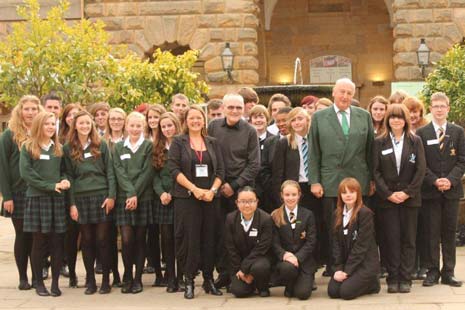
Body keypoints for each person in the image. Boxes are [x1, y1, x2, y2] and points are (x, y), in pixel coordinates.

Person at [308, 78, 374, 276]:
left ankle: (355, 265)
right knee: (333, 226)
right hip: (330, 181)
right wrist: (315, 181)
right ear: (333, 93)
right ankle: (334, 265)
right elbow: (314, 152)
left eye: (349, 93)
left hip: (358, 179)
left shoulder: (364, 116)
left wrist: (371, 180)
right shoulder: (319, 117)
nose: (345, 96)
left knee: (358, 225)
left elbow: (370, 150)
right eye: (342, 92)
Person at [168, 105, 224, 299]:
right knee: (190, 240)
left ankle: (209, 279)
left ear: (204, 120)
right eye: (191, 118)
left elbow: (220, 172)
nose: (195, 121)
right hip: (187, 198)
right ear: (186, 121)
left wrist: (212, 191)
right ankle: (189, 280)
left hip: (210, 198)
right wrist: (195, 189)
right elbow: (174, 170)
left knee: (209, 239)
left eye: (199, 118)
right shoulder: (178, 142)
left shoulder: (213, 142)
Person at [207, 93, 260, 289]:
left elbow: (255, 165)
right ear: (224, 107)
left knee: (241, 233)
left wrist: (235, 185)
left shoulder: (250, 131)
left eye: (238, 107)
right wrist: (216, 184)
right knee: (221, 233)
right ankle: (223, 273)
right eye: (231, 107)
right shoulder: (212, 126)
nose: (235, 111)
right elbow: (206, 153)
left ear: (244, 108)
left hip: (241, 188)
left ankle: (243, 272)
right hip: (217, 187)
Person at [373, 104, 426, 293]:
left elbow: (420, 170)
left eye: (400, 117)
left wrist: (407, 192)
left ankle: (406, 278)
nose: (396, 120)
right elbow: (376, 171)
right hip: (387, 201)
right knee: (391, 240)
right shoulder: (379, 142)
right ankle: (393, 278)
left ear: (405, 120)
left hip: (410, 200)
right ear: (388, 120)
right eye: (392, 117)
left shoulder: (415, 141)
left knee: (408, 240)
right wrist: (388, 194)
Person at [63, 111, 116, 294]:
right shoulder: (68, 147)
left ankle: (105, 280)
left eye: (87, 123)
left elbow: (110, 171)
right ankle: (91, 280)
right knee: (87, 240)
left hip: (101, 196)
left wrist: (111, 196)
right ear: (75, 126)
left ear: (91, 125)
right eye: (81, 123)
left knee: (103, 240)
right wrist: (72, 204)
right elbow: (68, 176)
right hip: (81, 198)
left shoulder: (101, 144)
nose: (85, 126)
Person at [417, 92, 465, 288]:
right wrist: (435, 181)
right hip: (431, 191)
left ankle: (449, 272)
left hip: (452, 191)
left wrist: (450, 180)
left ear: (448, 108)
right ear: (430, 109)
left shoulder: (458, 132)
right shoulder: (422, 133)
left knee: (449, 232)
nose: (438, 109)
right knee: (431, 233)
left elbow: (462, 160)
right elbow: (421, 163)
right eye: (435, 106)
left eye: (442, 106)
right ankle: (432, 271)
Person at [19, 111, 70, 297]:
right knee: (39, 243)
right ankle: (39, 283)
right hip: (37, 199)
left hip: (56, 200)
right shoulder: (28, 147)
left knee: (57, 242)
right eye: (47, 124)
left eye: (52, 124)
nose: (50, 127)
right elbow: (27, 174)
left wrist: (64, 181)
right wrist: (50, 185)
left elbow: (64, 171)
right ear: (39, 125)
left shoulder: (58, 148)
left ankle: (56, 283)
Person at [0, 95, 43, 290]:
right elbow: (2, 167)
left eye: (34, 109)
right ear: (20, 111)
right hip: (17, 194)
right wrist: (7, 196)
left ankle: (37, 276)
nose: (31, 112)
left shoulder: (42, 134)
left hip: (37, 193)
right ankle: (23, 278)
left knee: (37, 236)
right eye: (27, 109)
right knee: (22, 235)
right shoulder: (9, 135)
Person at [112, 112, 153, 294]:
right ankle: (127, 275)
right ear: (126, 126)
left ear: (143, 127)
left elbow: (147, 172)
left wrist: (135, 194)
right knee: (127, 240)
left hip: (143, 198)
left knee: (139, 239)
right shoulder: (118, 147)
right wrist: (130, 193)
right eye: (132, 126)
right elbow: (119, 172)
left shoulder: (148, 146)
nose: (135, 129)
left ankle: (137, 279)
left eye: (138, 126)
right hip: (125, 199)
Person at [327, 178, 381, 300]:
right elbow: (335, 245)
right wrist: (338, 269)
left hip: (364, 264)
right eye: (344, 192)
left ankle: (372, 283)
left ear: (358, 194)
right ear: (340, 195)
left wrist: (347, 271)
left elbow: (361, 247)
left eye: (352, 192)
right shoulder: (336, 214)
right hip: (346, 264)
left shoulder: (365, 213)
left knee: (346, 292)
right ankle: (354, 280)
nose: (348, 195)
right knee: (333, 291)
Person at [271, 180, 316, 300]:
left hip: (304, 261)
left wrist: (298, 257)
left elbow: (311, 241)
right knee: (287, 268)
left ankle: (305, 280)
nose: (290, 198)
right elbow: (274, 243)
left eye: (294, 194)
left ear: (299, 195)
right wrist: (285, 255)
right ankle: (289, 285)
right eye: (287, 195)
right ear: (282, 195)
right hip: (286, 262)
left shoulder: (308, 215)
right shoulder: (275, 215)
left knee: (303, 294)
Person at [225, 186, 273, 298]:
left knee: (260, 267)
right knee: (238, 291)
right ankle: (250, 285)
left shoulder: (265, 219)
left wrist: (244, 269)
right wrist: (239, 270)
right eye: (243, 201)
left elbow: (262, 248)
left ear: (257, 202)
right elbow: (230, 247)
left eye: (251, 201)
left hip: (258, 260)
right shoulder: (230, 219)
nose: (247, 205)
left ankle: (263, 287)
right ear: (237, 202)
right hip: (238, 263)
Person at [152, 112, 181, 292]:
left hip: (180, 197)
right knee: (167, 240)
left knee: (181, 240)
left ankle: (183, 275)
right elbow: (153, 175)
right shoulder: (156, 148)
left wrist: (172, 192)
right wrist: (162, 193)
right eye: (163, 126)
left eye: (170, 125)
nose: (167, 129)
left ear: (176, 125)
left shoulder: (183, 145)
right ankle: (171, 278)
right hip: (162, 201)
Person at [103, 107, 126, 287]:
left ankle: (128, 273)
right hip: (107, 194)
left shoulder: (129, 140)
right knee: (108, 238)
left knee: (126, 237)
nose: (116, 122)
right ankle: (114, 274)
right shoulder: (102, 141)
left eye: (119, 119)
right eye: (113, 119)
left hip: (125, 193)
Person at [144, 103, 167, 280]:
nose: (153, 120)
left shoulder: (166, 138)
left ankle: (167, 263)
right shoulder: (144, 138)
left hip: (162, 193)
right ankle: (154, 264)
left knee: (165, 232)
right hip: (147, 191)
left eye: (156, 117)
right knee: (151, 231)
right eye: (150, 117)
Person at [259, 107, 292, 213]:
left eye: (284, 120)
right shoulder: (270, 142)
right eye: (278, 121)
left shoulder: (300, 142)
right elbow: (264, 169)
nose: (281, 124)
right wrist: (274, 190)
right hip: (273, 196)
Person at [249, 104, 274, 211]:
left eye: (261, 117)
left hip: (269, 190)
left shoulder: (274, 140)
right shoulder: (246, 140)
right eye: (255, 117)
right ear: (250, 121)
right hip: (251, 186)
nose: (258, 120)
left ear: (267, 119)